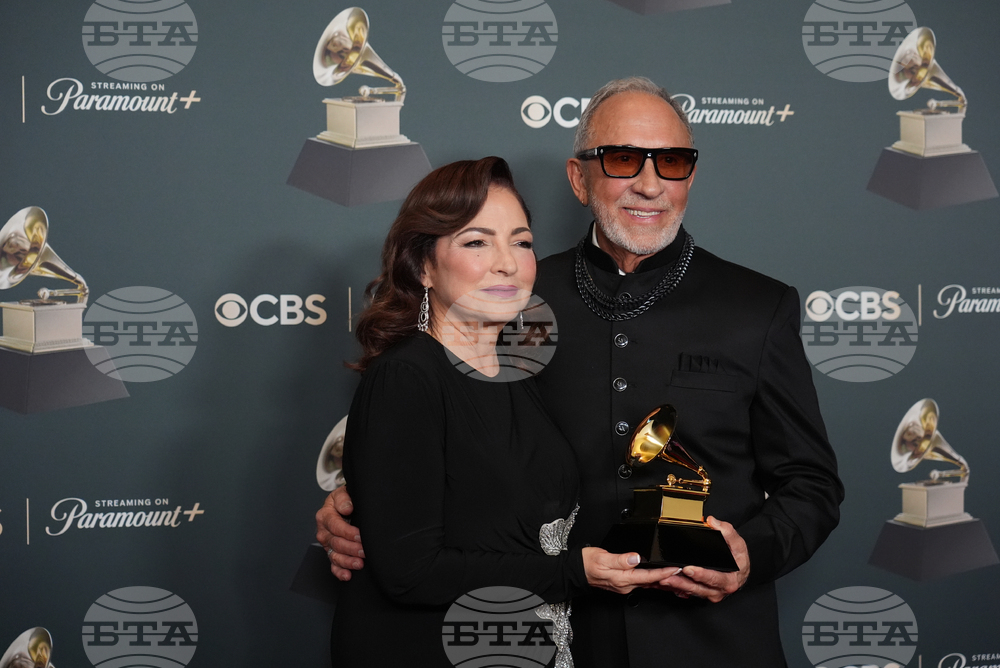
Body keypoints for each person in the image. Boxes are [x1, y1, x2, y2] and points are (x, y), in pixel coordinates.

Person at [318, 79, 844, 667]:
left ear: (690, 177)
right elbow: (449, 439)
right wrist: (355, 502)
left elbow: (811, 484)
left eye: (671, 162)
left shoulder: (757, 307)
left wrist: (753, 551)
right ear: (579, 177)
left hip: (715, 642)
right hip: (557, 638)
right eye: (623, 160)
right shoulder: (512, 296)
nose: (650, 184)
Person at [328, 156, 677, 667]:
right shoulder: (408, 377)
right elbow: (409, 571)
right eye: (476, 242)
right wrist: (575, 573)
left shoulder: (522, 375)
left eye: (521, 241)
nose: (507, 262)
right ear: (423, 265)